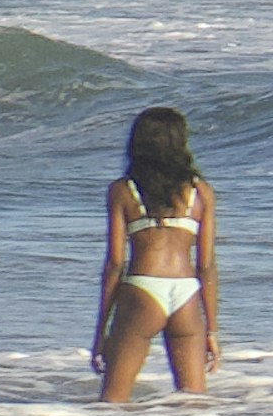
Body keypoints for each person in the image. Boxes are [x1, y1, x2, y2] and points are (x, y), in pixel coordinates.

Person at [95, 105, 222, 400]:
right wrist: (212, 331)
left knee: (112, 402)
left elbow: (115, 262)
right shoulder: (200, 192)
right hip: (186, 292)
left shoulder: (123, 191)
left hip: (143, 288)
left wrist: (102, 330)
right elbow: (206, 266)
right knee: (194, 404)